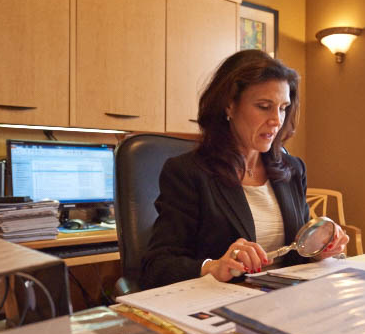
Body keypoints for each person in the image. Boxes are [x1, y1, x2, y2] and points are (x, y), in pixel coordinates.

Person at [140, 50, 348, 290]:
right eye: (264, 106)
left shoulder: (292, 169)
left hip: (286, 298)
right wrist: (213, 266)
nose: (276, 120)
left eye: (283, 108)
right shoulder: (187, 173)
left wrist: (319, 250)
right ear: (229, 105)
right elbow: (156, 266)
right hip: (225, 301)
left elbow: (296, 253)